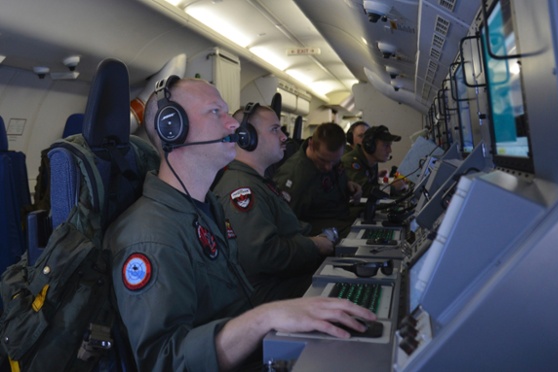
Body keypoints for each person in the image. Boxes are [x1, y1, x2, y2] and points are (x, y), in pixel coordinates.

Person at [103, 78, 376, 371]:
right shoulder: (151, 238)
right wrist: (264, 318)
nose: (234, 125)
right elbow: (164, 362)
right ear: (174, 128)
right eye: (215, 112)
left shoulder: (207, 210)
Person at [213, 104, 334, 305]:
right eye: (275, 129)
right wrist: (314, 245)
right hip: (267, 294)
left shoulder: (257, 181)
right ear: (246, 138)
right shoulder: (241, 189)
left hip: (281, 282)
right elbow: (262, 254)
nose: (284, 137)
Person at [273, 122, 362, 237]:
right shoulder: (296, 177)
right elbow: (286, 224)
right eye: (323, 160)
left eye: (334, 161)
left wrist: (348, 184)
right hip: (316, 230)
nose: (328, 167)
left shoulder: (328, 156)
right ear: (311, 144)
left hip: (339, 215)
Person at [342, 125, 408, 198]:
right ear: (370, 146)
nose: (390, 150)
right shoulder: (351, 161)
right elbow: (364, 190)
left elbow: (373, 187)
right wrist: (391, 188)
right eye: (386, 145)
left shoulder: (372, 161)